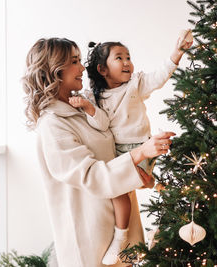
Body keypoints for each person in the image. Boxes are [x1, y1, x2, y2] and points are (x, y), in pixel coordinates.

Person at [22, 37, 175, 267]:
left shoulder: (87, 106)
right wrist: (140, 153)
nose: (83, 67)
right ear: (55, 71)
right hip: (92, 241)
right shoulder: (53, 124)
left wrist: (143, 176)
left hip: (123, 234)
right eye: (74, 62)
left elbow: (114, 153)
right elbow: (92, 175)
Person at [68, 33, 192, 265]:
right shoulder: (95, 96)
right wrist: (86, 106)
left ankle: (120, 236)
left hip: (139, 148)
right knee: (120, 188)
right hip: (117, 152)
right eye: (119, 58)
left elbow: (160, 76)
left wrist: (177, 53)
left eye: (128, 57)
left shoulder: (136, 85)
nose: (127, 62)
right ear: (102, 69)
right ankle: (155, 184)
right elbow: (101, 124)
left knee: (118, 192)